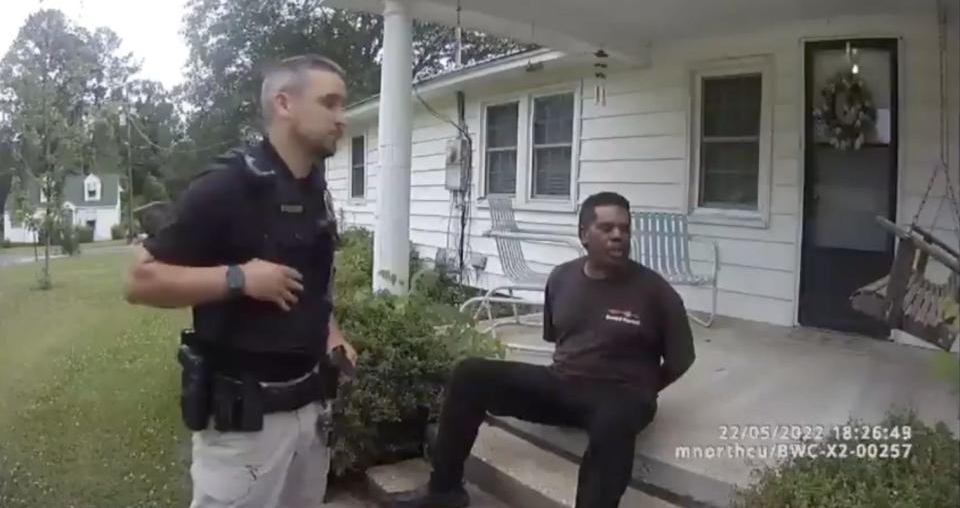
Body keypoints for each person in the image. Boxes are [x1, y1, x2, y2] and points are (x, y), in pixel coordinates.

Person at [123, 54, 357, 508]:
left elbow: (312, 280)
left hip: (311, 414)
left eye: (342, 105)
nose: (341, 118)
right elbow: (138, 280)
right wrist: (239, 279)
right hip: (245, 428)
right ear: (284, 104)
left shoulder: (313, 187)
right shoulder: (225, 187)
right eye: (329, 103)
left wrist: (332, 334)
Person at [393, 192, 696, 508]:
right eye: (607, 228)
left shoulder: (655, 291)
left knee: (614, 421)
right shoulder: (562, 278)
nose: (618, 235)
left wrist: (643, 389)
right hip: (564, 383)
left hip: (620, 394)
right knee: (470, 374)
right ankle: (445, 492)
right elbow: (558, 338)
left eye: (624, 228)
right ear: (584, 235)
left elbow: (681, 359)